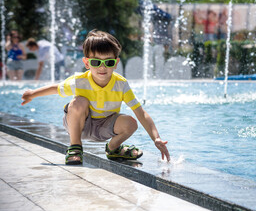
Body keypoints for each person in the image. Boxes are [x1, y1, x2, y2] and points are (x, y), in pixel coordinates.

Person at [21, 30, 170, 165]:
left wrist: (155, 138)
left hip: (105, 128)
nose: (102, 67)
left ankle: (113, 149)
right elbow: (56, 88)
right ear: (86, 63)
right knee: (79, 101)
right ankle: (75, 147)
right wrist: (32, 94)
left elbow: (141, 113)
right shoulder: (79, 81)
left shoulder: (121, 84)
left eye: (108, 62)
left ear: (116, 63)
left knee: (131, 123)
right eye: (96, 62)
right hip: (80, 125)